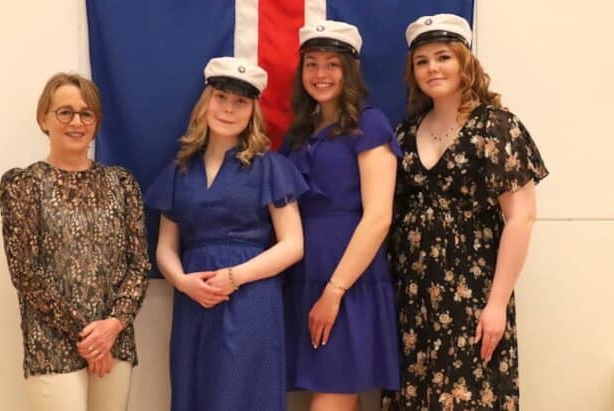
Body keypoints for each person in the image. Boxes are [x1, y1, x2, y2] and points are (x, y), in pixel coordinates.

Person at [388, 14, 549, 410]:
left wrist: (496, 304)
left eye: (443, 57)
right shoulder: (404, 134)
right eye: (422, 61)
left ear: (464, 61)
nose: (432, 68)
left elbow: (521, 217)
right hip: (412, 296)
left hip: (473, 293)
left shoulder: (496, 127)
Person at [145, 57, 308, 411]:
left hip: (251, 298)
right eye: (221, 97)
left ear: (253, 111)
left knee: (241, 395)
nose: (228, 109)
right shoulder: (180, 169)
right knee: (195, 393)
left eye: (240, 101)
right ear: (206, 102)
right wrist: (182, 281)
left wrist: (235, 277)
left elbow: (293, 244)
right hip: (195, 300)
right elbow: (166, 246)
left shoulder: (269, 166)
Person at [0, 73, 150, 411]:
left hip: (114, 339)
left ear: (97, 122)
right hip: (51, 343)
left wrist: (112, 327)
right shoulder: (23, 185)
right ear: (44, 119)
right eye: (65, 112)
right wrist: (88, 337)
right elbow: (25, 272)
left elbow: (139, 265)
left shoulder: (122, 184)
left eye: (86, 113)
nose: (76, 122)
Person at [281, 20, 402, 411]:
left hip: (349, 279)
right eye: (312, 64)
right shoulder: (299, 133)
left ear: (350, 71)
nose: (321, 73)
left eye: (332, 64)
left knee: (334, 393)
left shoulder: (370, 123)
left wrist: (335, 291)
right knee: (334, 393)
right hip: (304, 274)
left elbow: (379, 217)